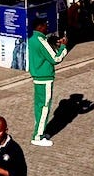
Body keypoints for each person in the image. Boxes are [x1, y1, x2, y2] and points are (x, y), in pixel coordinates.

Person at [28, 17, 68, 146]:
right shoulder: (40, 40)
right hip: (44, 78)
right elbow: (55, 59)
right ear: (39, 27)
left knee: (39, 107)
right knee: (44, 107)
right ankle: (38, 136)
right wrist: (63, 47)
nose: (47, 28)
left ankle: (40, 131)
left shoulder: (32, 39)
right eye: (45, 25)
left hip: (37, 77)